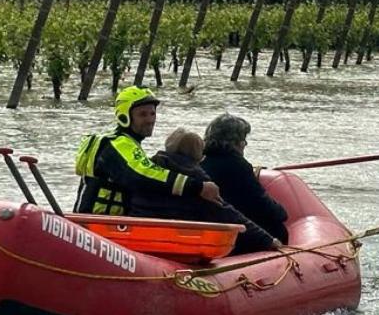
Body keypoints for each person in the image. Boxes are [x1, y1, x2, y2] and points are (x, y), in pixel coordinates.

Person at [74, 87, 279, 254]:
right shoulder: (119, 145)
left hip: (103, 226)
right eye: (142, 114)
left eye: (152, 113)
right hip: (100, 226)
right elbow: (143, 175)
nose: (150, 119)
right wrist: (197, 187)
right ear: (125, 117)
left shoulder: (131, 147)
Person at [201, 114, 290, 245]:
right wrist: (282, 212)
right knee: (278, 228)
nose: (245, 144)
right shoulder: (238, 166)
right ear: (234, 141)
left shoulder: (200, 162)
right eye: (243, 139)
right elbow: (260, 202)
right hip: (237, 235)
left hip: (210, 227)